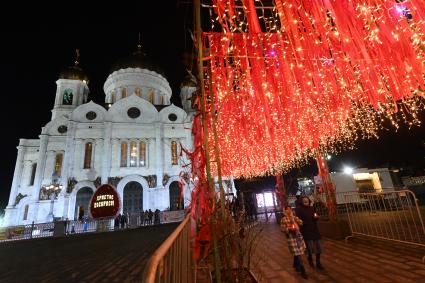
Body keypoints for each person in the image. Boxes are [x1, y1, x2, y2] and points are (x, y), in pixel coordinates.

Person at [296, 196, 324, 270]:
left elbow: (315, 216)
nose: (306, 201)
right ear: (301, 201)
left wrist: (316, 217)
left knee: (318, 247)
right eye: (304, 200)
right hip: (306, 231)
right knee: (310, 248)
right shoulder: (299, 209)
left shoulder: (312, 208)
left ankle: (318, 262)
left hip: (314, 230)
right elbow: (298, 220)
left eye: (307, 200)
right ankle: (310, 259)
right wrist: (302, 223)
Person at [281, 206, 308, 279]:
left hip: (298, 237)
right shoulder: (284, 219)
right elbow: (283, 229)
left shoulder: (294, 217)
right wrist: (289, 228)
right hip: (291, 238)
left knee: (298, 253)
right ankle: (303, 271)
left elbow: (301, 223)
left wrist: (295, 220)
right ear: (285, 211)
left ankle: (295, 265)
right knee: (298, 254)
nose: (289, 210)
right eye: (287, 209)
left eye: (290, 209)